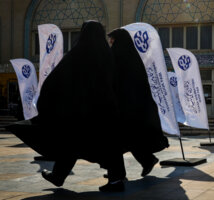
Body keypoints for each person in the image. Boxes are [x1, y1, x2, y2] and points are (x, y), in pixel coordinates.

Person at [7, 21, 126, 192]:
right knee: (108, 145)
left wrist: (47, 101)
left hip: (80, 112)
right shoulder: (108, 55)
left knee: (71, 143)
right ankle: (115, 180)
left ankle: (58, 176)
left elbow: (55, 81)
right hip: (105, 111)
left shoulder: (78, 54)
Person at [107, 28, 169, 179]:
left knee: (119, 139)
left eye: (112, 40)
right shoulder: (133, 57)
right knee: (128, 138)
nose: (110, 43)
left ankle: (117, 173)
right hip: (135, 107)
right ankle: (145, 161)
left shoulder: (117, 55)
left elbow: (114, 81)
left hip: (123, 107)